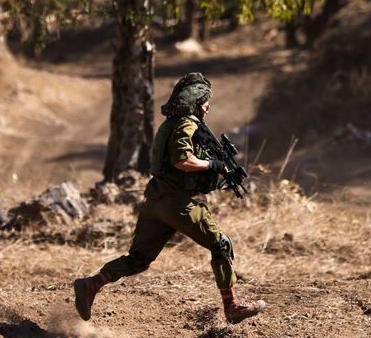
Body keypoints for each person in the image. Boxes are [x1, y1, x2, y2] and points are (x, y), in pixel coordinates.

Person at [73, 73, 265, 324]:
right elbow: (182, 160)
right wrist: (214, 164)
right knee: (221, 244)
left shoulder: (170, 124)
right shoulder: (187, 124)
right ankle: (232, 306)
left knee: (138, 259)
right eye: (205, 102)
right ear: (196, 102)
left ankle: (91, 284)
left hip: (155, 202)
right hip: (177, 203)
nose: (208, 108)